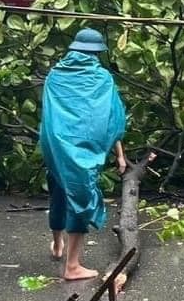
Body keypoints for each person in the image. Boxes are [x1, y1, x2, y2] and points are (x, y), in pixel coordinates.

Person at [40, 28, 128, 281]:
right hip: (82, 152)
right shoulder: (101, 79)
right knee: (80, 198)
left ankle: (58, 244)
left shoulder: (54, 76)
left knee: (58, 188)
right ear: (97, 53)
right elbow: (111, 120)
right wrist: (120, 155)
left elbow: (49, 114)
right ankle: (72, 266)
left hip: (54, 145)